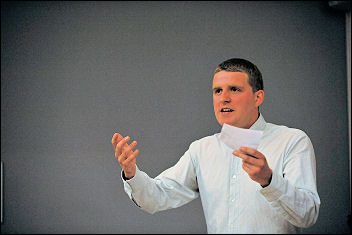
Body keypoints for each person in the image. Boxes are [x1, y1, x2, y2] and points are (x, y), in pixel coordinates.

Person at [111, 58, 320, 233]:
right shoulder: (202, 150)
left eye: (234, 89)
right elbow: (157, 197)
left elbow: (308, 215)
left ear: (258, 97)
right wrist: (131, 173)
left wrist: (269, 180)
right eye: (217, 91)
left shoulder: (292, 141)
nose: (224, 99)